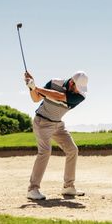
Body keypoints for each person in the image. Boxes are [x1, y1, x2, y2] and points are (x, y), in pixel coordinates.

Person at [24, 70, 88, 200]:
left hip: (58, 124)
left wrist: (36, 87)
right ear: (71, 82)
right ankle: (33, 189)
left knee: (72, 150)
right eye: (77, 87)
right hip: (42, 122)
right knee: (45, 152)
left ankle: (68, 187)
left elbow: (58, 96)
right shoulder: (53, 82)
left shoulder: (80, 96)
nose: (79, 91)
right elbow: (36, 99)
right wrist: (31, 87)